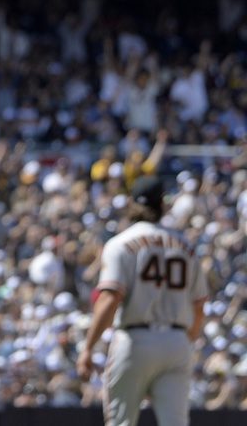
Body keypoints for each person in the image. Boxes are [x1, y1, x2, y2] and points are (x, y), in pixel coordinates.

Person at [76, 175, 208, 426]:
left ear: (131, 204)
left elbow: (110, 298)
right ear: (163, 205)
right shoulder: (186, 246)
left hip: (135, 340)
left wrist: (88, 347)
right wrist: (182, 342)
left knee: (121, 422)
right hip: (177, 340)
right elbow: (199, 305)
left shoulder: (121, 244)